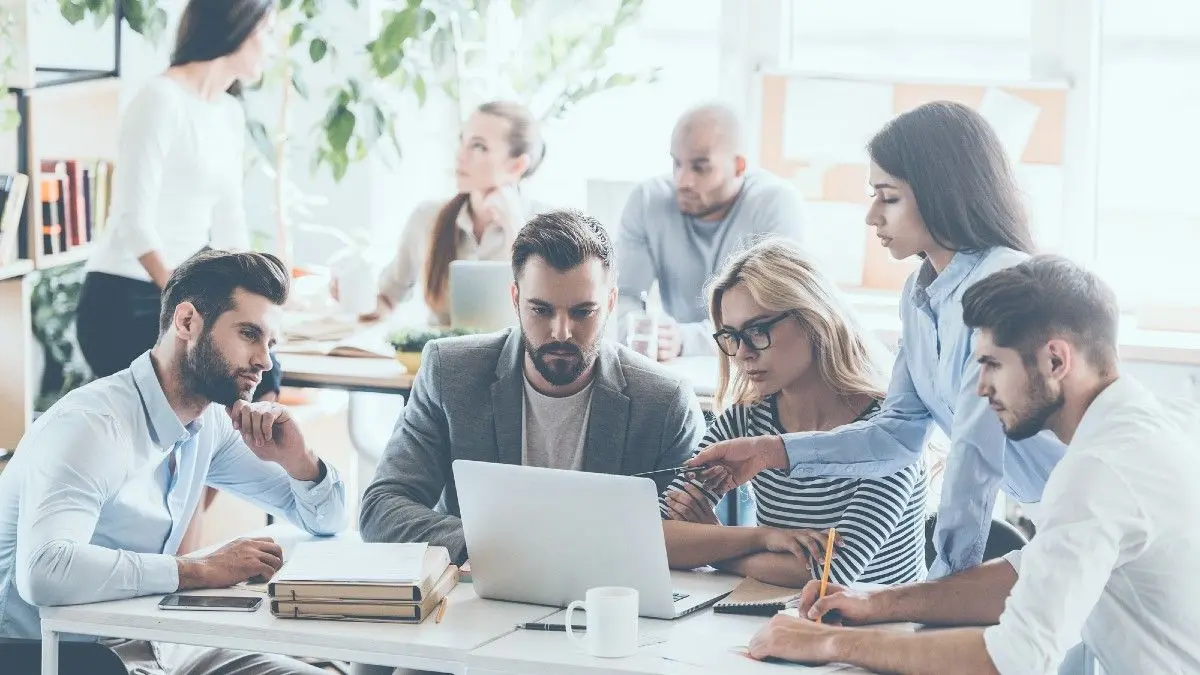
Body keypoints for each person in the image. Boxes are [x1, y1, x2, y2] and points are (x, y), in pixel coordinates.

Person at [744, 255, 1200, 674]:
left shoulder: (1098, 470)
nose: (980, 389)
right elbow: (1029, 572)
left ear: (1056, 360)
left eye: (991, 365)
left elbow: (1011, 660)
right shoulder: (1154, 425)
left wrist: (828, 645)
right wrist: (879, 602)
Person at [689, 101, 1067, 577]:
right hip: (1060, 513)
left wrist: (944, 588)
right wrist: (771, 451)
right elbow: (896, 436)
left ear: (940, 194)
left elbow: (975, 457)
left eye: (887, 197)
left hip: (1099, 502)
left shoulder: (1000, 286)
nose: (871, 216)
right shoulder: (920, 293)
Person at [0, 249, 349, 674]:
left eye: (269, 343)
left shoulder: (211, 424)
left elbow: (327, 522)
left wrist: (300, 461)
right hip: (65, 657)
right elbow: (44, 571)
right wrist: (200, 569)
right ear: (187, 322)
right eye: (248, 334)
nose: (265, 360)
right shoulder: (92, 425)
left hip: (159, 644)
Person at [359, 208, 707, 564]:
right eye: (541, 310)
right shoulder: (449, 375)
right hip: (481, 600)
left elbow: (696, 538)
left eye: (582, 312)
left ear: (611, 304)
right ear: (514, 299)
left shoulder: (665, 403)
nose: (561, 332)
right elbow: (381, 510)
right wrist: (494, 546)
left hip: (610, 601)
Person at [659, 239, 928, 589]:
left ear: (812, 319)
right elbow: (659, 538)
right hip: (782, 620)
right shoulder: (747, 421)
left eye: (757, 330)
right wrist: (763, 537)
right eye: (731, 336)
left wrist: (713, 543)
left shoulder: (890, 431)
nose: (742, 353)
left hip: (885, 631)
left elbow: (830, 570)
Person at [78, 0, 283, 401]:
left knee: (268, 374)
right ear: (237, 26)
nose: (272, 47)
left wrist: (254, 301)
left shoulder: (228, 113)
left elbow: (230, 220)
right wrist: (189, 301)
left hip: (183, 298)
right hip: (127, 295)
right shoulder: (159, 98)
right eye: (268, 31)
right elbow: (131, 219)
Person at [616, 102, 807, 361]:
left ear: (739, 166)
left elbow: (777, 313)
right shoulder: (647, 200)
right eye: (676, 163)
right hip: (681, 366)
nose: (682, 181)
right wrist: (638, 331)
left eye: (700, 167)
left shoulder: (776, 203)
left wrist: (686, 339)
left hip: (757, 363)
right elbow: (626, 294)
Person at [344, 100, 547, 324]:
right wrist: (355, 297)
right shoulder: (427, 218)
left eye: (479, 146)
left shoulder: (546, 227)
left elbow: (545, 316)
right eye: (463, 141)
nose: (461, 155)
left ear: (516, 166)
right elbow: (387, 298)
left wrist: (512, 226)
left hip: (512, 359)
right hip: (438, 357)